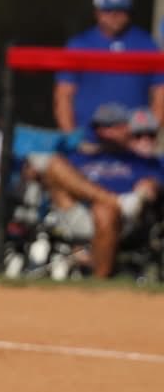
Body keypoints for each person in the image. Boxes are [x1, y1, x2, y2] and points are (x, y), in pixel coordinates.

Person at [41, 102, 164, 278]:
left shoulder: (143, 161)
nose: (105, 132)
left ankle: (99, 281)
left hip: (124, 219)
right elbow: (49, 173)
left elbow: (153, 185)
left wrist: (148, 188)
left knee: (104, 210)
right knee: (53, 163)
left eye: (149, 135)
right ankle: (115, 202)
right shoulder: (82, 157)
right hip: (79, 214)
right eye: (102, 126)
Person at [54, 0, 164, 142]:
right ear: (96, 11)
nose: (114, 15)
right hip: (88, 143)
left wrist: (147, 135)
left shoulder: (147, 44)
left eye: (120, 9)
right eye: (108, 9)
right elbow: (63, 95)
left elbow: (160, 95)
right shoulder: (79, 45)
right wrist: (72, 140)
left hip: (133, 143)